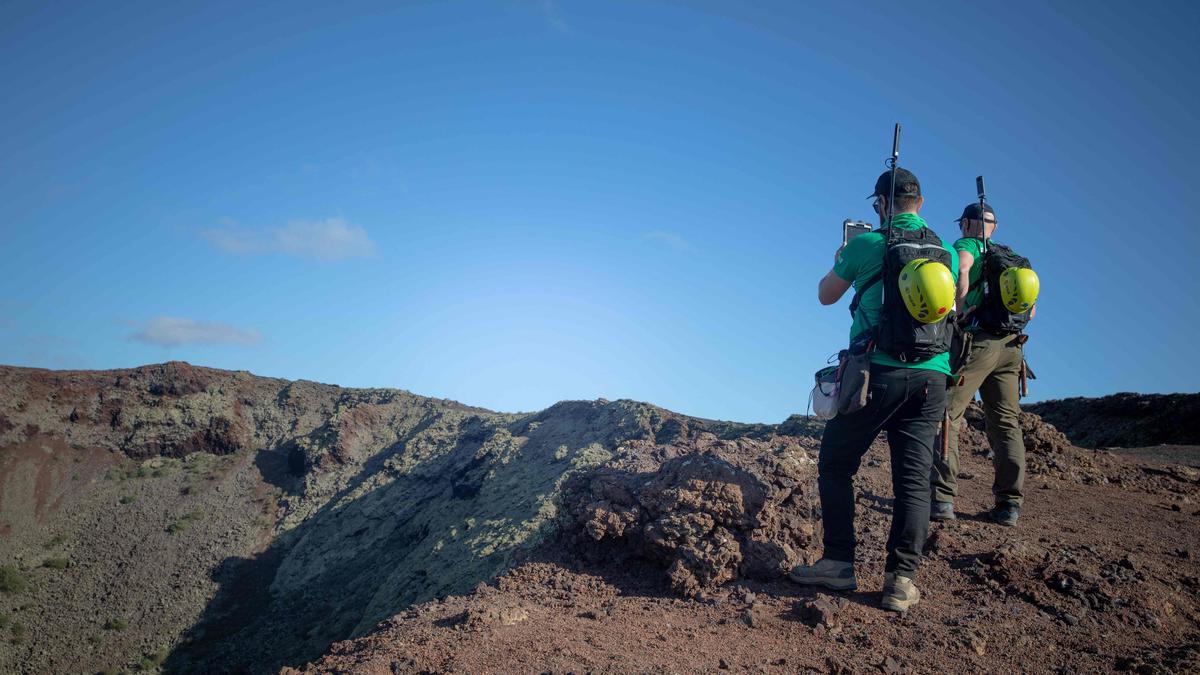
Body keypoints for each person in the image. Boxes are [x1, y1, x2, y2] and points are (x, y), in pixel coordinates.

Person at [790, 167, 958, 612]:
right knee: (913, 481)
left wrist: (844, 253)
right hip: (931, 379)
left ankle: (839, 564)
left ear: (881, 205)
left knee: (837, 463)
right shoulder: (946, 253)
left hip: (874, 376)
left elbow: (826, 295)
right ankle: (900, 582)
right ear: (920, 203)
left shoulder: (866, 245)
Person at [929, 203, 1034, 527]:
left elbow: (961, 267)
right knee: (1005, 423)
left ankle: (942, 499)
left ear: (966, 225)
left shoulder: (967, 246)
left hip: (977, 344)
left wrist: (959, 306)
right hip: (1012, 347)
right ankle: (1009, 505)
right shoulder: (1012, 259)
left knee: (947, 414)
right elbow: (1030, 312)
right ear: (994, 226)